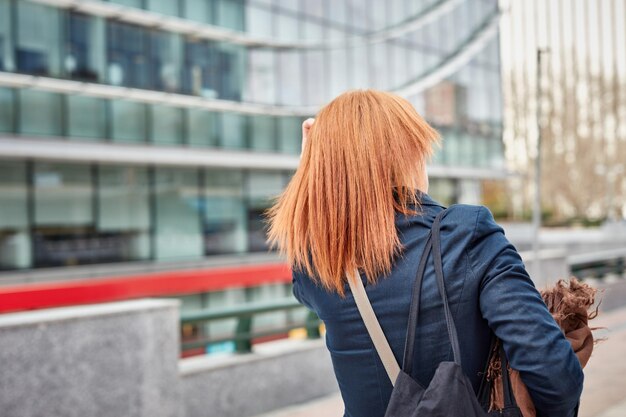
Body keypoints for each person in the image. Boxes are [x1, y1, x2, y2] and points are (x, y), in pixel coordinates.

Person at [265, 90, 583, 417]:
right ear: (408, 155)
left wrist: (312, 173)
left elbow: (308, 249)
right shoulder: (466, 233)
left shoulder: (318, 263)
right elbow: (554, 374)